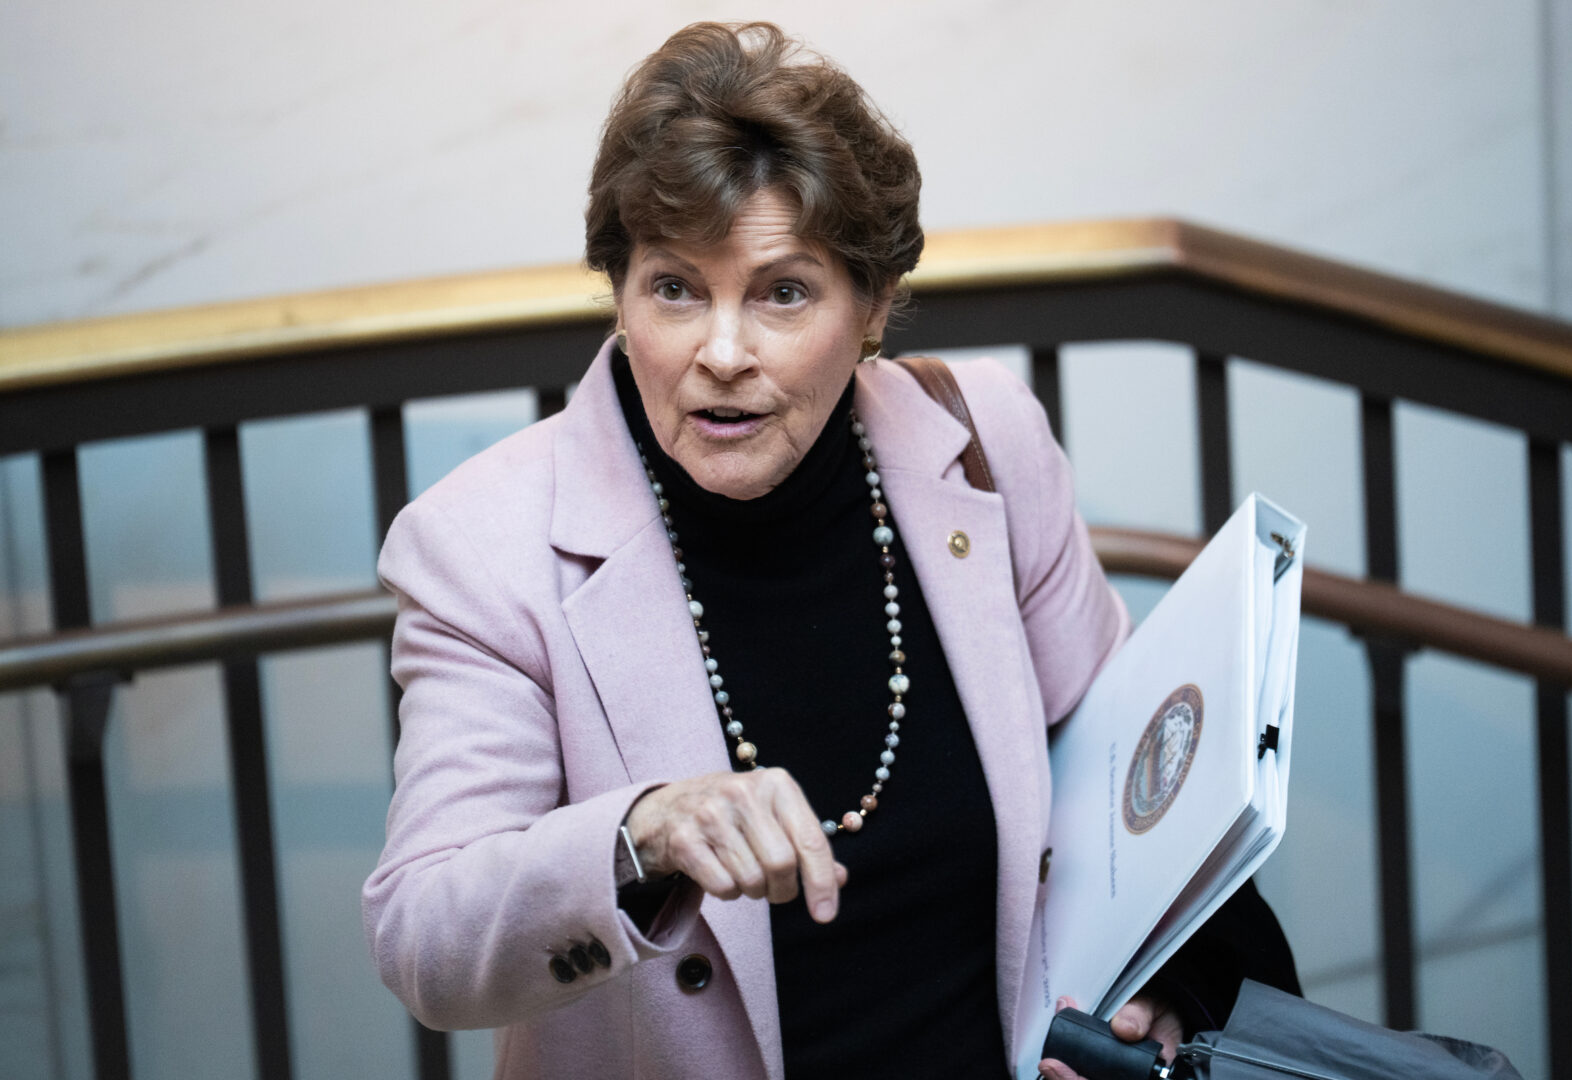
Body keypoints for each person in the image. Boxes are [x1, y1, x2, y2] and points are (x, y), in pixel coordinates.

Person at [363, 21, 1298, 1080]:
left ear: (875, 310)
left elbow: (1128, 791)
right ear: (620, 298)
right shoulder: (484, 546)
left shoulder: (984, 442)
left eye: (783, 292)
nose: (721, 353)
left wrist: (1160, 997)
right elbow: (425, 938)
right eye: (675, 288)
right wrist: (645, 833)